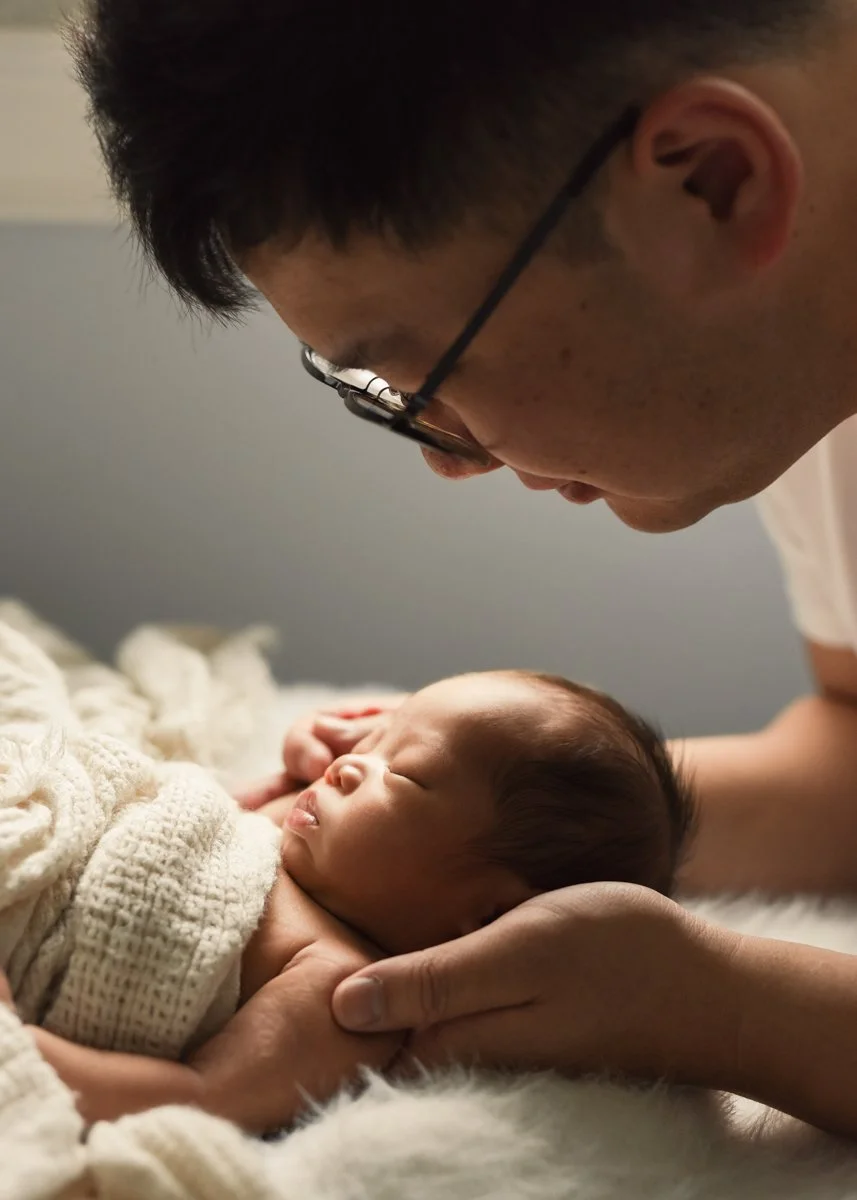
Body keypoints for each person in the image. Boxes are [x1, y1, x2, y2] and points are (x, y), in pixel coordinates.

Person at [71, 0, 857, 1137]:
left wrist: (717, 1010)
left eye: (425, 373)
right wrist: (480, 810)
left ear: (712, 181)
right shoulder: (806, 368)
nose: (452, 463)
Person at [27, 669, 694, 1129]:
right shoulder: (289, 825)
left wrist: (21, 1051)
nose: (346, 765)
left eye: (401, 773)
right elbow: (168, 806)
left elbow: (201, 1101)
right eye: (371, 739)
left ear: (484, 916)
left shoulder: (340, 990)